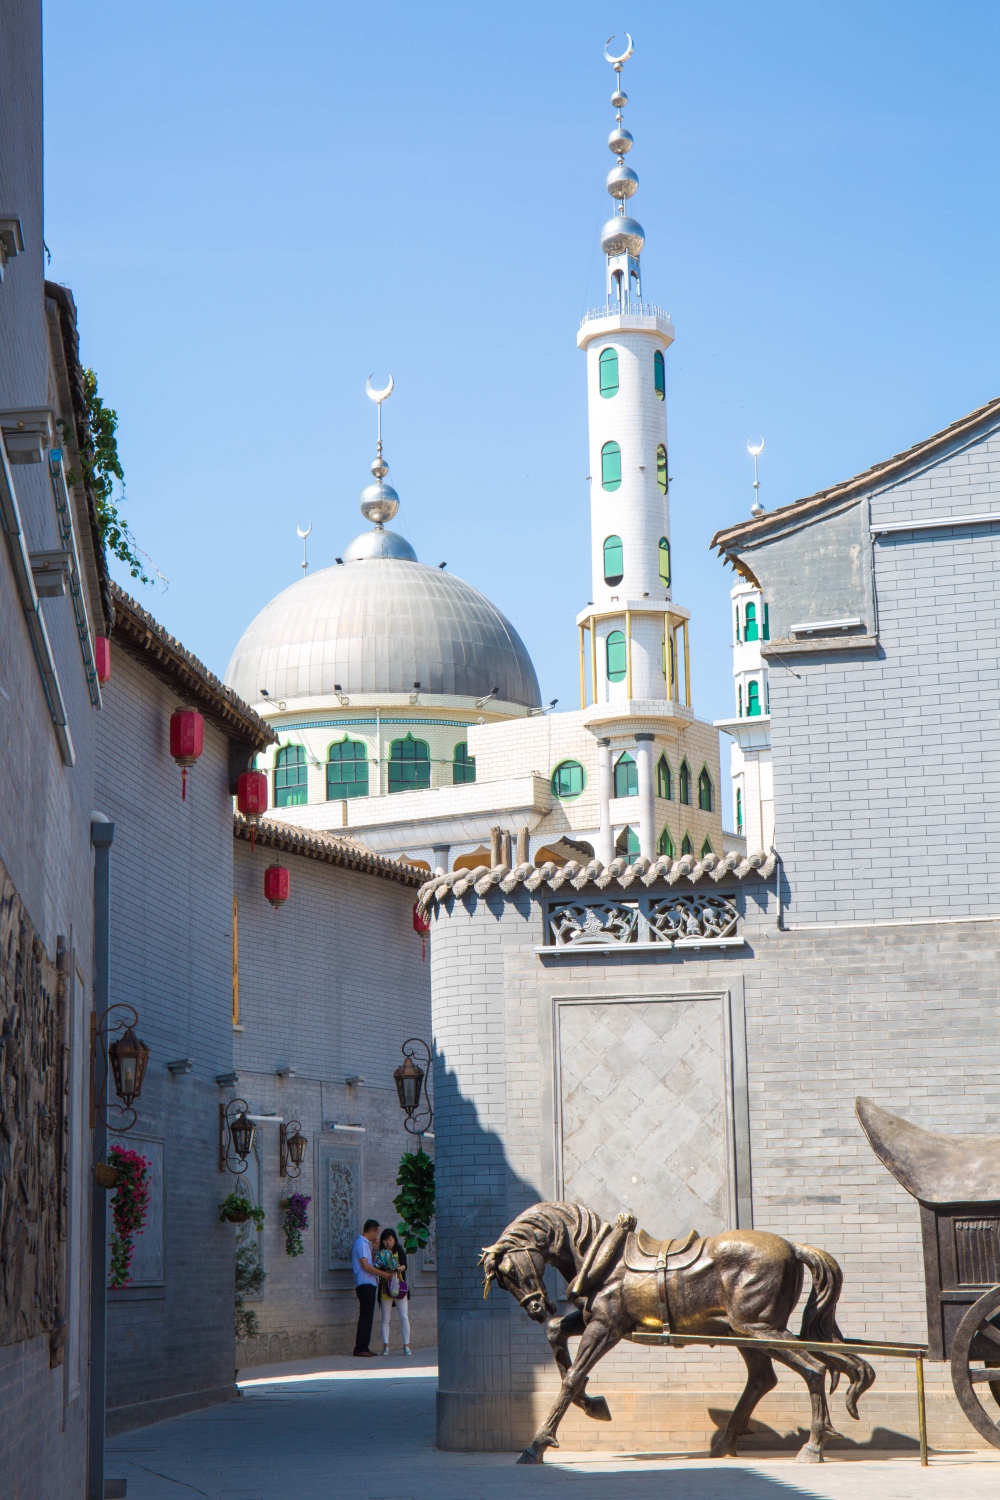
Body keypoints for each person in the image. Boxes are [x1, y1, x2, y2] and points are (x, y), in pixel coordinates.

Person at [351, 1218, 393, 1357]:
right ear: (372, 1231)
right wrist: (384, 1275)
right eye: (377, 1232)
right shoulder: (361, 1243)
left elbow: (371, 1262)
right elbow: (366, 1266)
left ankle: (364, 1346)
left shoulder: (365, 1244)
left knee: (367, 1316)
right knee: (365, 1316)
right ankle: (360, 1348)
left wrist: (374, 1249)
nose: (377, 1236)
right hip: (365, 1283)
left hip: (368, 1283)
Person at [374, 1227, 411, 1355]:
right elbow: (375, 1265)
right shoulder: (380, 1253)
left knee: (404, 1317)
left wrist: (395, 1268)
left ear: (394, 1240)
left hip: (399, 1287)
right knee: (385, 1318)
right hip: (385, 1288)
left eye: (390, 1240)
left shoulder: (399, 1251)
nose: (387, 1242)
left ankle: (406, 1345)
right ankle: (386, 1346)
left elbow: (404, 1266)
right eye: (385, 1240)